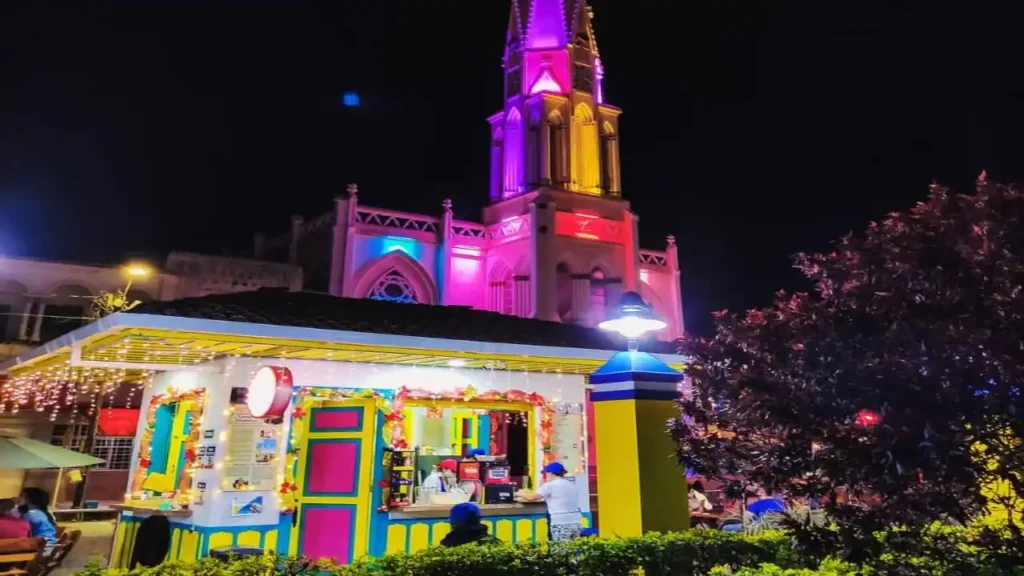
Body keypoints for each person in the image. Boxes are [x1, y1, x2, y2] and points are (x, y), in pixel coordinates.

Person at [516, 462, 581, 541]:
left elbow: (532, 497)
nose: (546, 476)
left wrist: (519, 493)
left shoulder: (550, 485)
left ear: (552, 474)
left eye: (546, 474)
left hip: (559, 522)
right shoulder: (571, 485)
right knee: (573, 547)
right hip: (575, 521)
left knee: (559, 548)